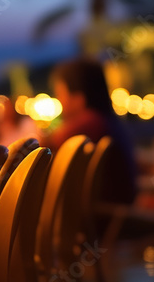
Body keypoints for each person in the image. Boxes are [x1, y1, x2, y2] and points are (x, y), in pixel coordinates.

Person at [45, 57, 137, 204]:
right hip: (113, 213)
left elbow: (43, 151)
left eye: (60, 94)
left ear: (78, 97)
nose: (59, 101)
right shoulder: (109, 122)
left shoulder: (90, 123)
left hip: (102, 219)